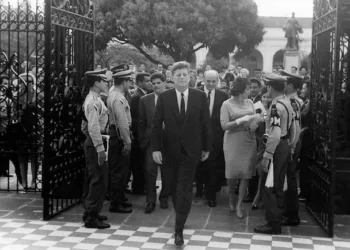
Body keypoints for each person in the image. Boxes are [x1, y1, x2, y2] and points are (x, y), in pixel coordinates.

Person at [152, 61, 212, 246]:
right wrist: (155, 149)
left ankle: (179, 229)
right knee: (173, 188)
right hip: (170, 151)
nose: (182, 77)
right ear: (172, 77)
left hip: (191, 151)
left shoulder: (200, 96)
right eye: (178, 74)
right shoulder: (164, 97)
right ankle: (180, 217)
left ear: (190, 76)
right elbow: (156, 125)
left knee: (184, 188)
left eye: (185, 74)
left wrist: (207, 147)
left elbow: (206, 124)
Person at [254, 73, 294, 235]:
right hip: (284, 145)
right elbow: (291, 127)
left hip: (276, 147)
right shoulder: (287, 102)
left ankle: (273, 223)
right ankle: (277, 218)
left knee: (270, 185)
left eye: (267, 86)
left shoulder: (276, 106)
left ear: (270, 87)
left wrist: (267, 155)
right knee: (278, 183)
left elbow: (275, 133)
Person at [220, 77, 257, 219]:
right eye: (248, 88)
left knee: (245, 173)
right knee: (232, 173)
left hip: (249, 140)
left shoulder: (250, 102)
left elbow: (253, 119)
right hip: (233, 141)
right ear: (241, 89)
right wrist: (240, 120)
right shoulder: (226, 104)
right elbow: (224, 126)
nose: (250, 91)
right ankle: (231, 197)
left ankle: (240, 204)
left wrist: (255, 122)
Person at [81, 69, 110, 229]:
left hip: (94, 142)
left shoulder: (96, 99)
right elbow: (92, 127)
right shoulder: (93, 101)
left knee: (97, 178)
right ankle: (91, 216)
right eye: (104, 81)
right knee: (98, 179)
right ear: (97, 82)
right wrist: (99, 148)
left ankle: (92, 212)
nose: (106, 84)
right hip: (95, 143)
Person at [139, 72, 170, 213]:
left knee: (166, 171)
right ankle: (150, 201)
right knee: (150, 172)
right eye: (154, 83)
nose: (156, 85)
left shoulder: (172, 98)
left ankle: (164, 198)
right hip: (150, 142)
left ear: (164, 83)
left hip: (168, 141)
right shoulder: (145, 100)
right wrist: (143, 140)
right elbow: (141, 122)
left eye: (159, 82)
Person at [197, 70, 228, 207]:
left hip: (215, 138)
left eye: (213, 81)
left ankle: (211, 196)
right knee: (197, 166)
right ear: (203, 79)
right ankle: (198, 189)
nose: (210, 84)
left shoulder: (223, 96)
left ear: (217, 81)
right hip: (197, 136)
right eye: (208, 81)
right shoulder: (194, 93)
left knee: (212, 167)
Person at [107, 67, 133, 213]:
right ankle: (116, 203)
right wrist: (127, 141)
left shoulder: (115, 95)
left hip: (118, 135)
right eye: (129, 81)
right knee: (119, 171)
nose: (130, 84)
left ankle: (119, 198)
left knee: (121, 170)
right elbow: (122, 123)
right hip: (119, 136)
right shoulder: (117, 98)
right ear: (124, 82)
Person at [280, 70, 303, 227]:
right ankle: (288, 212)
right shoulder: (290, 99)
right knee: (287, 178)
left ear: (290, 85)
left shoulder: (293, 102)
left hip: (290, 143)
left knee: (290, 179)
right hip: (290, 143)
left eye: (285, 83)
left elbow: (294, 127)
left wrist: (292, 146)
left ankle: (292, 215)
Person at [130, 72, 152, 195]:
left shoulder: (143, 94)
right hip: (139, 137)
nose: (149, 83)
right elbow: (138, 119)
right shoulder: (138, 96)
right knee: (138, 163)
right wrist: (141, 138)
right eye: (147, 81)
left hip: (141, 136)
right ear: (139, 83)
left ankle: (141, 186)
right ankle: (138, 188)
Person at [252, 86, 271, 210]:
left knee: (266, 173)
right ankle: (257, 195)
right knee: (259, 172)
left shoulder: (273, 109)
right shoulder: (257, 107)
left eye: (268, 97)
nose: (265, 99)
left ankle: (260, 197)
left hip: (269, 145)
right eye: (263, 97)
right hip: (258, 145)